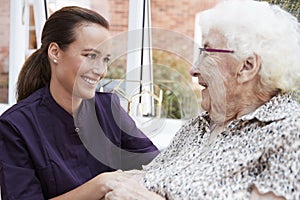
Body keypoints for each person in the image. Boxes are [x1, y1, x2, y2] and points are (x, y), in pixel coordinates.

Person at [99, 0, 300, 199]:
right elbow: (148, 177)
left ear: (247, 67)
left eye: (206, 53)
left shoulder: (290, 132)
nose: (193, 70)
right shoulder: (198, 126)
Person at [0, 6, 159, 200]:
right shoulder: (15, 126)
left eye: (105, 59)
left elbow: (156, 165)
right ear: (55, 52)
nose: (101, 71)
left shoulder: (110, 109)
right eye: (90, 56)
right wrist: (100, 185)